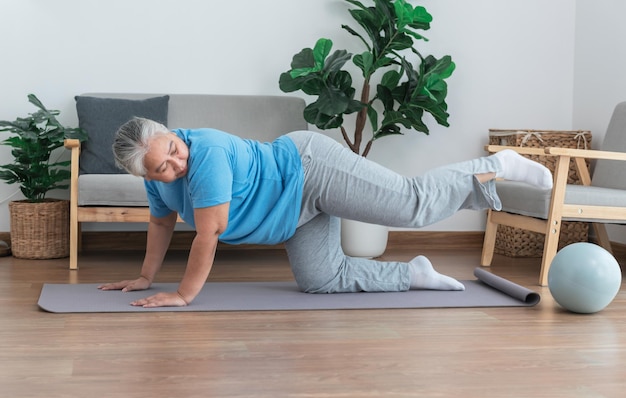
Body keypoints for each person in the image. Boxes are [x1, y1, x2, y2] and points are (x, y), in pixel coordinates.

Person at [99, 117, 552, 307]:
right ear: (150, 176)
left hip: (309, 168)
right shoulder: (160, 184)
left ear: (174, 135)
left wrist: (182, 294)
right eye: (164, 168)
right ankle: (412, 274)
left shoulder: (207, 154)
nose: (178, 163)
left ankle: (497, 165)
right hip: (290, 209)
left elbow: (207, 233)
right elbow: (160, 223)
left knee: (411, 205)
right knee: (320, 279)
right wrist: (144, 276)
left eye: (175, 150)